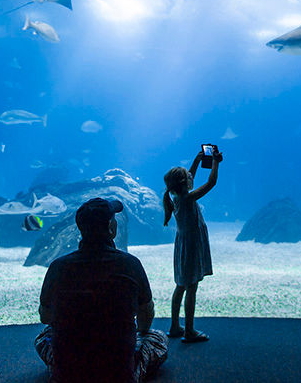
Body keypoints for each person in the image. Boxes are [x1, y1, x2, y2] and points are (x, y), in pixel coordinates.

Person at [37, 198, 167, 383]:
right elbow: (146, 318)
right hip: (118, 374)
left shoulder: (58, 267)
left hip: (69, 373)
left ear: (81, 228)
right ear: (110, 227)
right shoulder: (131, 264)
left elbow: (45, 317)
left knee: (42, 337)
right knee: (158, 338)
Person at [162, 147, 222, 343]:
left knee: (180, 286)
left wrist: (196, 162)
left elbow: (189, 178)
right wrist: (215, 163)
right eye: (188, 177)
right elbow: (211, 183)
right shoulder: (187, 197)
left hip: (182, 245)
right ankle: (189, 331)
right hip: (191, 246)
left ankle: (174, 326)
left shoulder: (176, 196)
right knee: (192, 287)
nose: (190, 178)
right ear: (185, 183)